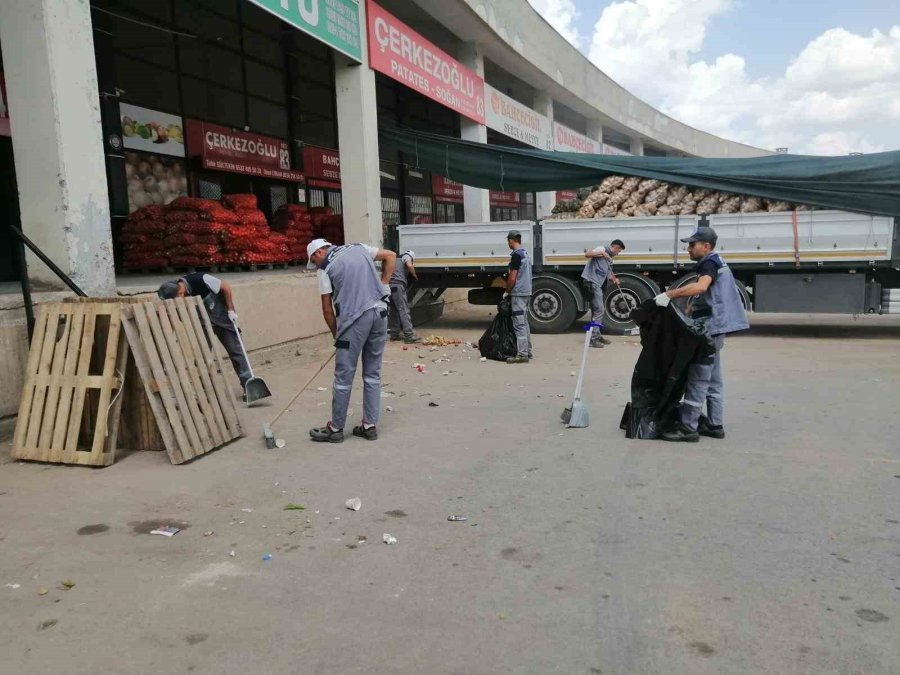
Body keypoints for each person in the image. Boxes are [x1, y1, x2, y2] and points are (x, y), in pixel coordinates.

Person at [653, 226, 749, 442]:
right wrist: (691, 305)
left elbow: (701, 287)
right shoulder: (718, 261)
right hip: (716, 329)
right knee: (715, 380)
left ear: (706, 246)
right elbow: (707, 293)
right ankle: (715, 425)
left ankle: (688, 428)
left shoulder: (708, 262)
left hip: (707, 330)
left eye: (692, 244)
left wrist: (669, 294)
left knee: (698, 378)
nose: (688, 249)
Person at [306, 238, 396, 443]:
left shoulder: (325, 269)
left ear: (320, 252)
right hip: (380, 314)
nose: (315, 265)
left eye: (314, 260)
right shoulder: (359, 248)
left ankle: (336, 429)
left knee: (343, 378)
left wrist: (336, 334)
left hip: (354, 321)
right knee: (373, 373)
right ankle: (369, 426)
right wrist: (384, 283)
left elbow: (327, 309)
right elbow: (391, 256)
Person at [157, 273, 250, 389]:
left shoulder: (201, 279)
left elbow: (225, 287)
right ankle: (205, 388)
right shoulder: (177, 294)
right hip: (202, 323)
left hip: (223, 318)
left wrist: (231, 310)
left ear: (180, 292)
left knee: (236, 351)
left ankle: (249, 385)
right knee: (202, 355)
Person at [582, 239, 625, 347]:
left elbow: (608, 275)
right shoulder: (602, 249)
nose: (618, 253)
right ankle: (594, 339)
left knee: (596, 311)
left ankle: (596, 335)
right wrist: (601, 253)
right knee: (600, 310)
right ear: (615, 247)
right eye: (618, 251)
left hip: (598, 284)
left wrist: (614, 279)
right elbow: (587, 254)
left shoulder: (610, 260)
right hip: (591, 282)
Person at [505, 230, 532, 364]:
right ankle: (528, 350)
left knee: (519, 325)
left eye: (508, 241)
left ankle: (522, 355)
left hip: (518, 293)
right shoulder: (525, 253)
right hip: (527, 292)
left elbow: (513, 277)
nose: (508, 244)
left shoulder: (516, 256)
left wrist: (507, 291)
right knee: (525, 323)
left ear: (511, 240)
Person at [388, 250, 422, 344]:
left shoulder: (394, 259)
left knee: (394, 310)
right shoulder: (406, 256)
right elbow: (409, 265)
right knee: (403, 310)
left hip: (390, 286)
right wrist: (414, 275)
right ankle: (409, 335)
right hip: (398, 285)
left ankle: (394, 334)